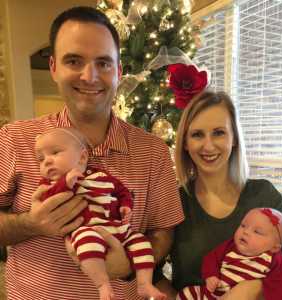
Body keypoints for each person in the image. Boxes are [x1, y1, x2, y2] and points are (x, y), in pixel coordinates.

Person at [0, 6, 184, 300]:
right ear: (53, 68)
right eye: (74, 60)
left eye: (103, 63)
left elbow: (164, 231)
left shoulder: (153, 152)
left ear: (119, 72)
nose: (90, 76)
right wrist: (30, 223)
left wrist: (127, 265)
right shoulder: (14, 138)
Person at [153, 91, 282, 300]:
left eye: (219, 133)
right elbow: (151, 269)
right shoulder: (175, 202)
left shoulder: (265, 195)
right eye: (197, 134)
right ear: (185, 142)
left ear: (234, 138)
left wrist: (251, 290)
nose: (208, 146)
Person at [35, 127, 167, 300]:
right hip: (86, 230)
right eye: (41, 159)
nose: (47, 161)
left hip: (116, 229)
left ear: (82, 157)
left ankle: (144, 284)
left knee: (141, 242)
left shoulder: (101, 176)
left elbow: (122, 191)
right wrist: (66, 184)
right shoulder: (51, 184)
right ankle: (103, 285)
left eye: (55, 152)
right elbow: (47, 201)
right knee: (87, 244)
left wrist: (126, 206)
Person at [176, 208, 282, 300]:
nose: (245, 232)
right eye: (243, 225)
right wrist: (211, 276)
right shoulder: (230, 246)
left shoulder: (274, 260)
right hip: (211, 293)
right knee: (186, 293)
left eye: (256, 231)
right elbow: (211, 259)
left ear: (274, 248)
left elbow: (280, 286)